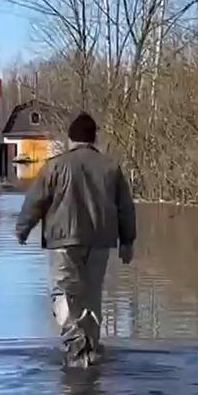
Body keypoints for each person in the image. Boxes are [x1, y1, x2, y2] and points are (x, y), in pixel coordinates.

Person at [16, 112, 136, 367]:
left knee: (63, 293)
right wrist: (127, 242)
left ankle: (75, 341)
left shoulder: (55, 166)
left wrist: (23, 229)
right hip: (100, 241)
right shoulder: (110, 167)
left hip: (63, 241)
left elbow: (35, 201)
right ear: (94, 139)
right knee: (91, 295)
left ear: (70, 139)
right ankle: (90, 348)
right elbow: (125, 207)